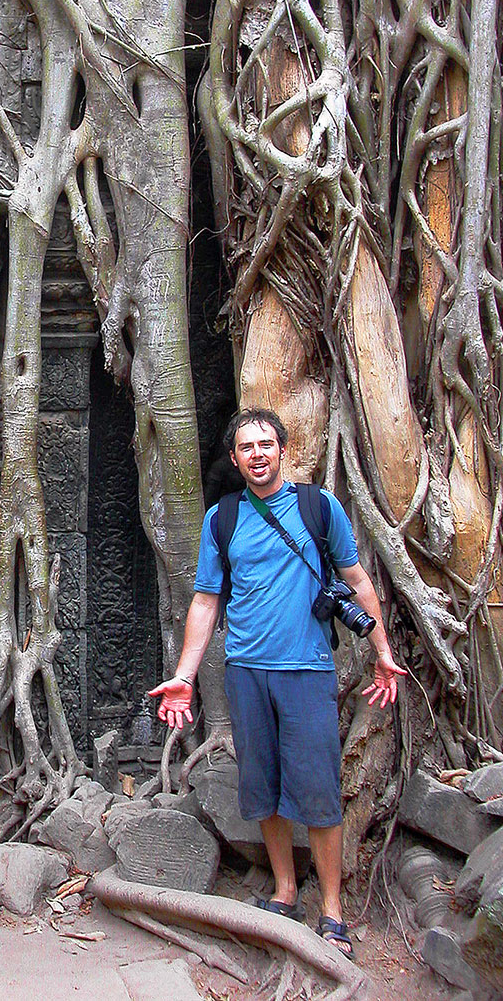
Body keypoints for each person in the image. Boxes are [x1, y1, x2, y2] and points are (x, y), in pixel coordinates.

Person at [148, 407, 405, 959]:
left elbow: (356, 581)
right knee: (261, 785)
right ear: (236, 459)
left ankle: (332, 910)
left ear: (283, 450)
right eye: (247, 447)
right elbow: (205, 600)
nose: (258, 454)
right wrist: (184, 678)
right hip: (246, 671)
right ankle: (285, 890)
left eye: (267, 443)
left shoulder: (318, 507)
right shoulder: (222, 519)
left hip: (307, 670)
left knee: (318, 787)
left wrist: (382, 652)